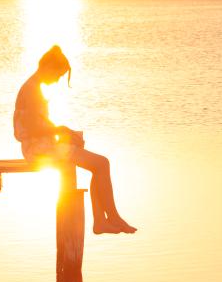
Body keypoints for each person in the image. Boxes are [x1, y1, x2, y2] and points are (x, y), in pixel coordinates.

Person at [13, 45, 136, 234]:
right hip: (37, 150)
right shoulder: (31, 90)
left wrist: (66, 134)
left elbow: (40, 125)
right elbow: (31, 129)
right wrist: (62, 130)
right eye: (58, 76)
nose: (56, 81)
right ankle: (110, 217)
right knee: (102, 164)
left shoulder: (34, 87)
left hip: (42, 146)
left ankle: (102, 220)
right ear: (48, 68)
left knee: (97, 164)